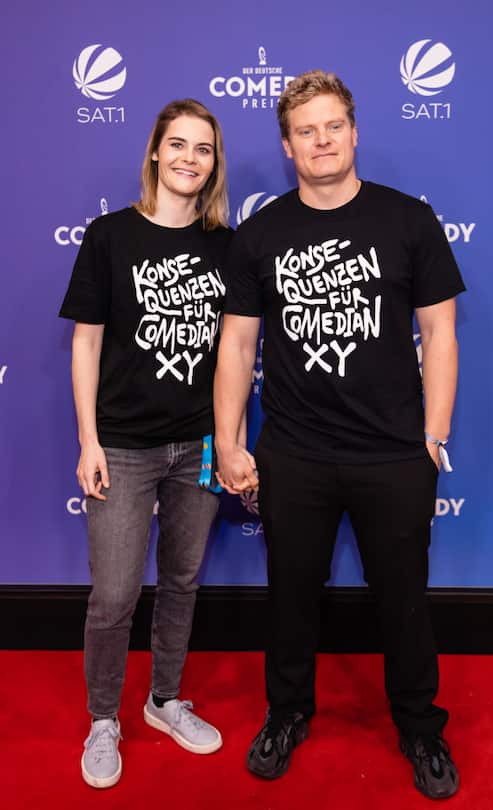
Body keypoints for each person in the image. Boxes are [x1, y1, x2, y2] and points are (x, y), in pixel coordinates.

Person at [214, 70, 465, 800]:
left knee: (404, 601)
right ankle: (287, 714)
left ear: (354, 133)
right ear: (287, 146)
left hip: (393, 453)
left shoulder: (408, 220)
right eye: (306, 131)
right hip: (294, 453)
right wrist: (228, 441)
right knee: (291, 598)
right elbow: (237, 345)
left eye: (333, 127)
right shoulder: (261, 234)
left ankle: (420, 726)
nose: (321, 141)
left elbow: (439, 332)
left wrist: (433, 436)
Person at [59, 99, 231, 788]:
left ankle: (164, 700)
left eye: (204, 148)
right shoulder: (110, 236)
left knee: (182, 581)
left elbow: (238, 352)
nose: (190, 158)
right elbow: (86, 344)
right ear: (156, 151)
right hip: (123, 446)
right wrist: (89, 440)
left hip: (200, 446)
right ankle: (104, 718)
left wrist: (230, 440)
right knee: (115, 594)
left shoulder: (226, 246)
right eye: (178, 144)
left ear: (214, 163)